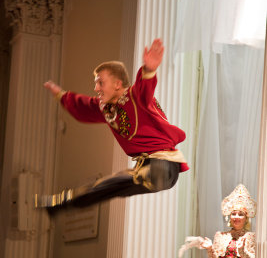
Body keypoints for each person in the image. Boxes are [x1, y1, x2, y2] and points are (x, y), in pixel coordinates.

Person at [35, 39, 189, 210]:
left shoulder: (135, 96)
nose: (96, 88)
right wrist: (61, 95)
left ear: (117, 84)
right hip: (145, 168)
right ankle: (60, 204)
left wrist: (149, 70)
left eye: (101, 82)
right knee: (105, 186)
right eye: (96, 83)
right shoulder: (105, 108)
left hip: (163, 166)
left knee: (125, 180)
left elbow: (144, 87)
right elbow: (83, 105)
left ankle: (65, 202)